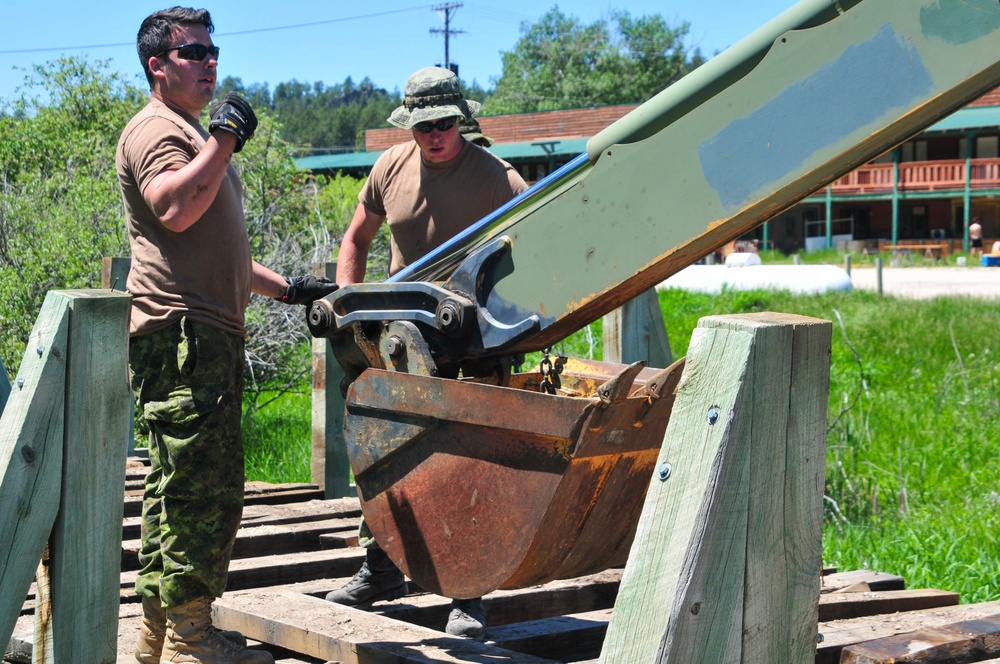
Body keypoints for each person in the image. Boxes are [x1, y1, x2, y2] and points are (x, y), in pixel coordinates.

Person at [117, 8, 336, 664]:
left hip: (193, 332)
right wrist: (223, 140)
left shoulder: (185, 130)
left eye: (213, 50)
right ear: (158, 65)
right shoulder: (159, 129)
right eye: (193, 53)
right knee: (204, 490)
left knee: (175, 485)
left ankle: (157, 639)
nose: (210, 61)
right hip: (187, 336)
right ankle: (192, 641)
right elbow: (176, 210)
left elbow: (221, 252)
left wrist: (291, 290)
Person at [327, 66, 528, 641]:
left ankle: (468, 593)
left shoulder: (498, 178)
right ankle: (383, 567)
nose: (434, 136)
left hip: (472, 343)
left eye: (443, 124)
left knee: (465, 462)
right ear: (408, 127)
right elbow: (357, 238)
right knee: (384, 450)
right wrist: (352, 303)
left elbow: (535, 253)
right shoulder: (389, 167)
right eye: (422, 127)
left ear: (461, 120)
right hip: (396, 337)